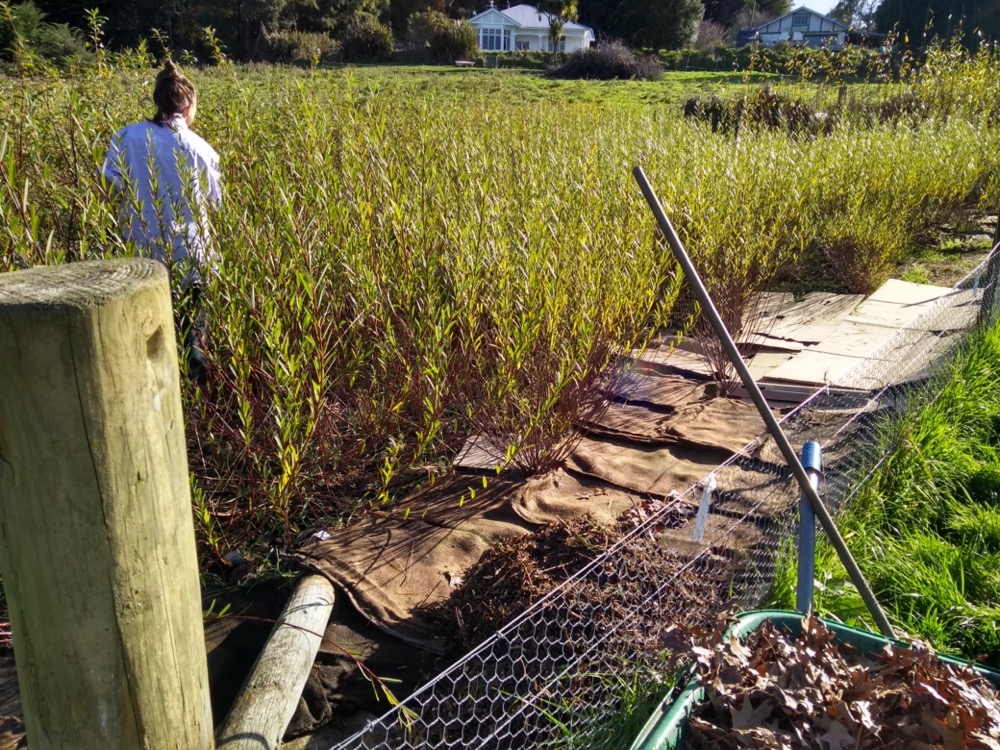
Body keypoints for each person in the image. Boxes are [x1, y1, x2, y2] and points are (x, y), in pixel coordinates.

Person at [101, 59, 222, 387]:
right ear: (188, 106)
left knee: (146, 338)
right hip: (190, 257)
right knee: (192, 338)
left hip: (141, 256)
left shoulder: (126, 137)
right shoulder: (200, 149)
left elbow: (109, 187)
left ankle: (155, 398)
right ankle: (196, 406)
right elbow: (216, 203)